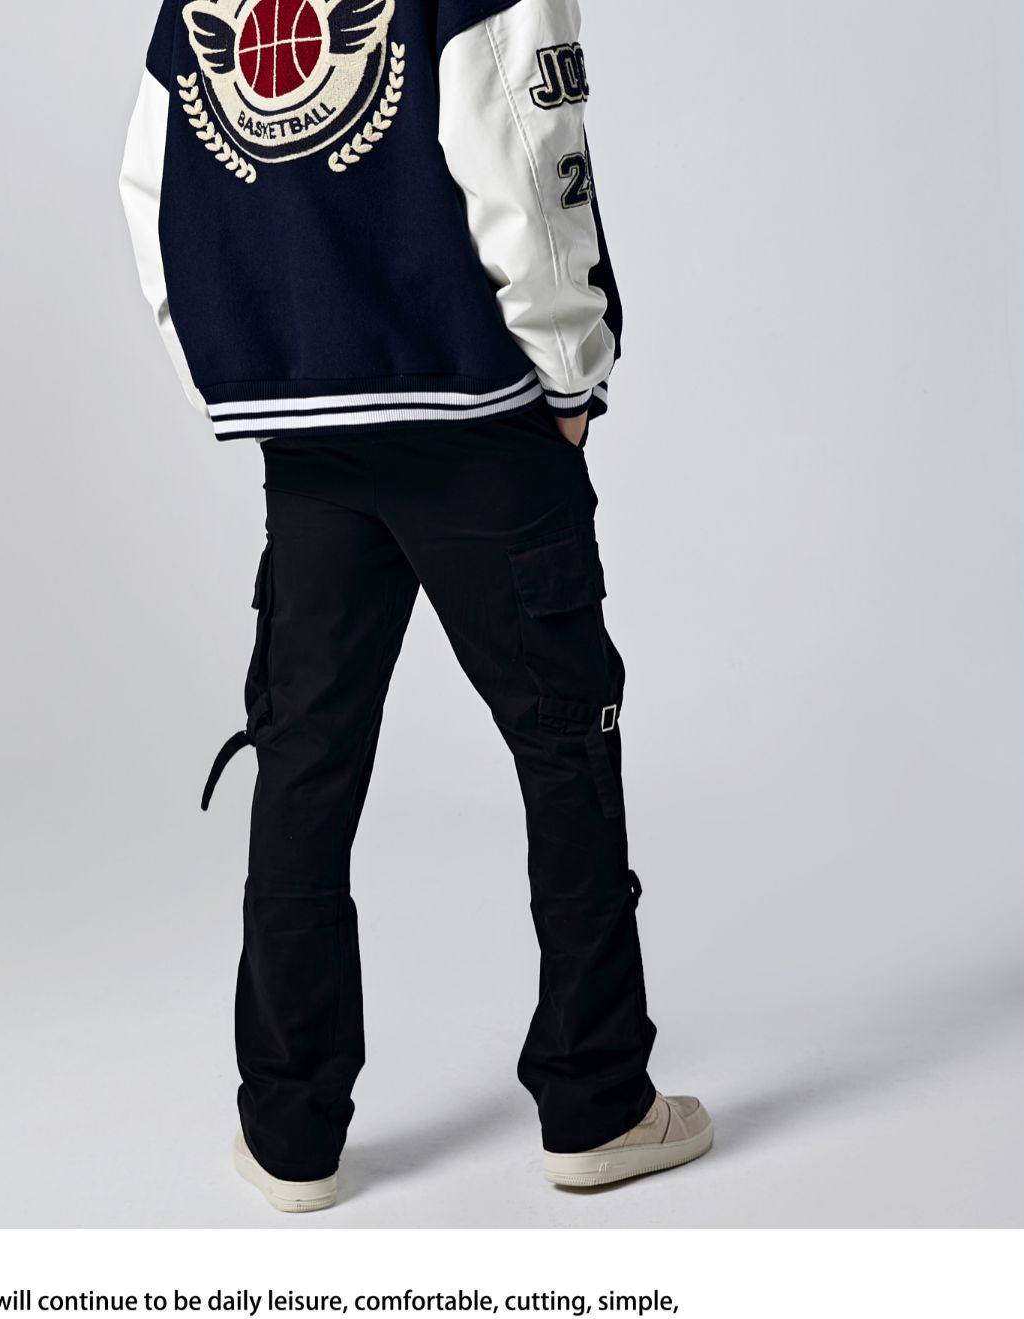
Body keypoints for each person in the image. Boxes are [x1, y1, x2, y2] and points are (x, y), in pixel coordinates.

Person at [120, 0, 711, 1213]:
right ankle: (598, 1105)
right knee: (563, 742)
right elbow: (528, 157)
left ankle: (289, 1133)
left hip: (308, 427)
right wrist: (572, 372)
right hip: (474, 416)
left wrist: (242, 368)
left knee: (306, 758)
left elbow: (152, 183)